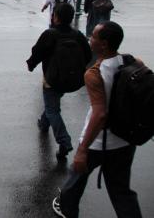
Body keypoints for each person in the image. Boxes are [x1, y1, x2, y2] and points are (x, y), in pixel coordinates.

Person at [52, 21, 142, 218]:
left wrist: (83, 150)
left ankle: (67, 210)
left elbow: (100, 113)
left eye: (93, 36)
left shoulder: (94, 74)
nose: (90, 39)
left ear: (104, 44)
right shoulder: (132, 62)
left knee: (74, 183)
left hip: (98, 142)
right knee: (121, 192)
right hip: (125, 140)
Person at [27, 3, 92, 161]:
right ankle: (43, 123)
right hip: (73, 79)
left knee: (52, 109)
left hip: (53, 78)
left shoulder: (50, 34)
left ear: (55, 17)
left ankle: (64, 141)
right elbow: (88, 55)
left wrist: (31, 64)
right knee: (52, 104)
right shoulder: (77, 35)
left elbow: (37, 52)